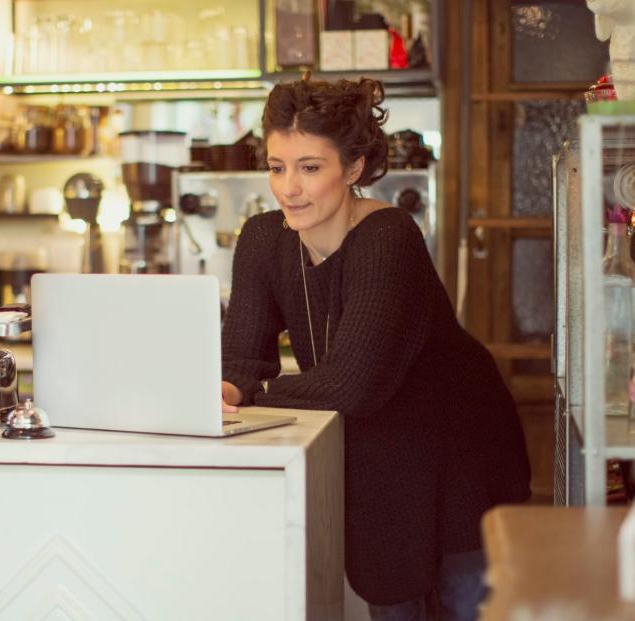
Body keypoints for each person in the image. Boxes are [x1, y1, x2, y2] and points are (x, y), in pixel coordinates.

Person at [220, 76, 531, 621]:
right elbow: (243, 358)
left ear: (354, 168)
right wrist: (225, 389)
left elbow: (352, 384)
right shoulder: (263, 239)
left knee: (467, 603)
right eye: (277, 166)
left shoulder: (389, 236)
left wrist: (256, 394)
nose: (289, 187)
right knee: (390, 601)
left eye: (310, 167)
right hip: (371, 453)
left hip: (456, 448)